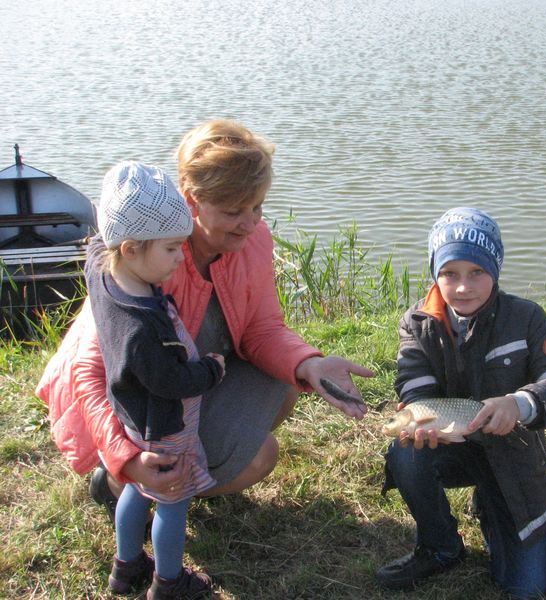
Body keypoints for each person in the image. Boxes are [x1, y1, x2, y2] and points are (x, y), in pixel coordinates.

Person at [35, 119, 374, 577]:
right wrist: (126, 457)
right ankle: (124, 482)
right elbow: (90, 374)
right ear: (192, 201)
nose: (251, 222)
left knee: (288, 386)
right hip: (130, 407)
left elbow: (262, 327)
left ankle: (182, 478)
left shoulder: (252, 239)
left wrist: (308, 362)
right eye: (235, 209)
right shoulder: (139, 262)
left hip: (186, 383)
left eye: (257, 207)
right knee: (260, 456)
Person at [377, 207, 546, 599]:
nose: (463, 287)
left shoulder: (525, 317)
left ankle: (495, 507)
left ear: (496, 270)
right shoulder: (417, 323)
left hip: (513, 453)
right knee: (404, 453)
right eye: (450, 274)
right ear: (435, 274)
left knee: (525, 589)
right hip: (452, 444)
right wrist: (421, 426)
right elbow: (415, 389)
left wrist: (520, 403)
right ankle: (441, 546)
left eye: (477, 272)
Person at [87, 161, 227, 598]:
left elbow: (96, 243)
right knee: (172, 498)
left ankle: (126, 567)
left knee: (137, 486)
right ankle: (169, 582)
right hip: (165, 424)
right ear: (130, 248)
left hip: (133, 419)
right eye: (170, 249)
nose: (179, 258)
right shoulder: (140, 328)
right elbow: (170, 381)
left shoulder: (101, 271)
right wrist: (211, 369)